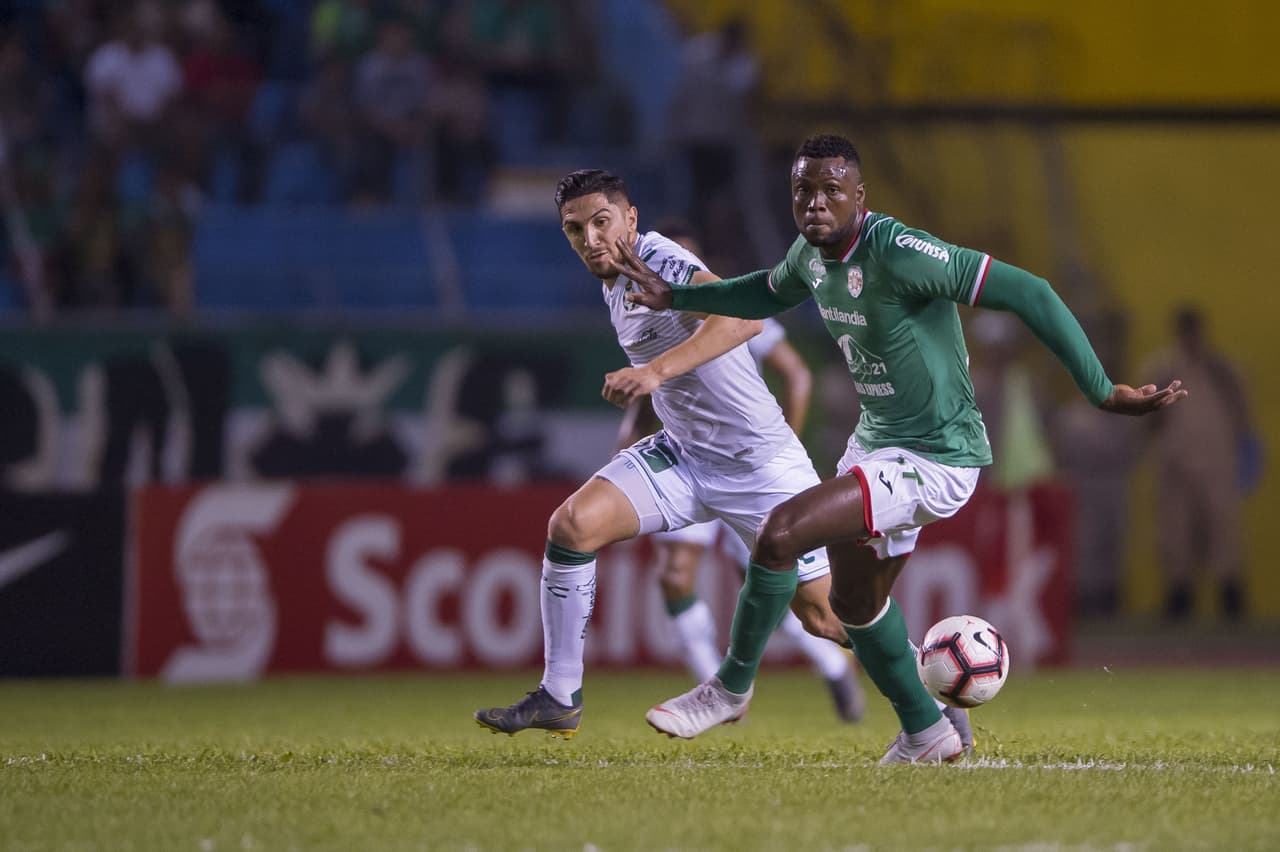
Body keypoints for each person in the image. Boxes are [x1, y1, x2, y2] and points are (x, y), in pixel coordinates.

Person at [615, 134, 1187, 764]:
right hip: (876, 446)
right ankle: (928, 730)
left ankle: (729, 688)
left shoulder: (901, 252)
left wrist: (1101, 390)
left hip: (936, 457)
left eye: (831, 190)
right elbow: (761, 294)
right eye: (803, 190)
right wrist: (678, 297)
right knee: (852, 604)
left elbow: (1032, 292)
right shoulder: (810, 255)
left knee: (780, 534)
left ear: (859, 197)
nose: (815, 202)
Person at [473, 169, 863, 740]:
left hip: (760, 464)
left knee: (823, 615)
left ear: (630, 219)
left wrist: (653, 373)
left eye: (601, 222)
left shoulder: (659, 259)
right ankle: (559, 695)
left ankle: (930, 674)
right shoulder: (613, 280)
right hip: (685, 455)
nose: (591, 239)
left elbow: (744, 318)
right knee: (572, 526)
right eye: (575, 230)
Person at [626, 221, 863, 723]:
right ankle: (716, 689)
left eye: (685, 262)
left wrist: (786, 443)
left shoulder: (729, 308)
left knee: (794, 596)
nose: (674, 272)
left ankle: (836, 667)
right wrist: (630, 435)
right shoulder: (644, 315)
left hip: (753, 468)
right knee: (675, 575)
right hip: (689, 461)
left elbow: (796, 373)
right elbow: (653, 390)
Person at [1138, 306, 1258, 620]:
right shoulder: (1162, 369)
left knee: (1223, 531)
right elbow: (1145, 418)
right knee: (1175, 534)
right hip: (1176, 466)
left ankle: (1231, 598)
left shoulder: (1220, 369)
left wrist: (1247, 453)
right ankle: (1179, 598)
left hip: (1217, 464)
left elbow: (1242, 412)